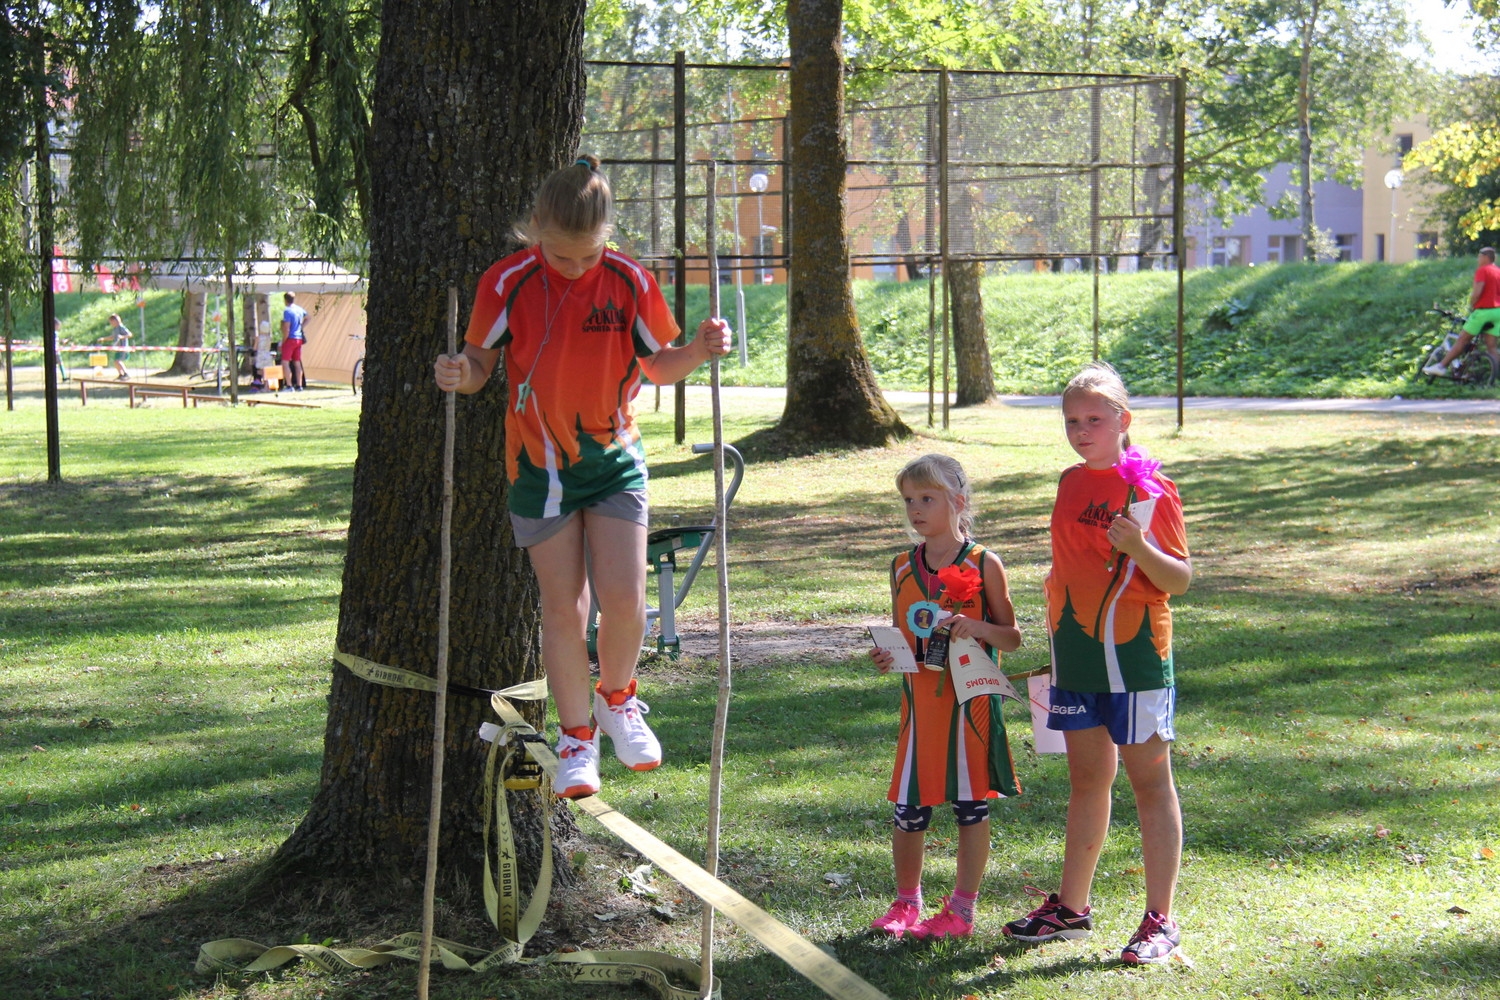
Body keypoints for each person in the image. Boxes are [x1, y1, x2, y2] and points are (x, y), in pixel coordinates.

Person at [432, 154, 732, 800]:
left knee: (624, 600)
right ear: (536, 227)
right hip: (538, 470)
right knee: (566, 610)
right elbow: (482, 360)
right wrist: (462, 373)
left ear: (606, 237)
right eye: (560, 257)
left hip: (614, 461)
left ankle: (617, 699)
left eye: (585, 256)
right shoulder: (506, 281)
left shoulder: (627, 280)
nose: (573, 269)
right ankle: (576, 740)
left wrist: (701, 350)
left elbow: (660, 365)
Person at [1001, 361, 1192, 965]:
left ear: (1123, 421)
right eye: (1071, 421)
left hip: (1133, 658)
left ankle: (1160, 919)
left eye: (1094, 419)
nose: (1082, 431)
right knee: (1087, 781)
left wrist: (1141, 546)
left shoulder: (1149, 491)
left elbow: (1180, 579)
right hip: (1075, 655)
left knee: (1149, 785)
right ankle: (1071, 908)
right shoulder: (1068, 481)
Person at [867, 454, 1023, 940]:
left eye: (927, 499)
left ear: (958, 503)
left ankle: (961, 911)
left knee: (969, 806)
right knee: (908, 808)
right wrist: (887, 655)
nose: (915, 509)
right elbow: (902, 635)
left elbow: (1011, 637)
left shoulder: (983, 562)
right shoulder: (899, 566)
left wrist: (975, 627)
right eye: (908, 500)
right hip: (920, 710)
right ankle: (906, 903)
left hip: (969, 708)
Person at [1422, 247, 1500, 376]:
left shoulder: (1483, 270)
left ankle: (1441, 366)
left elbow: (1477, 292)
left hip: (1483, 312)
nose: (1478, 259)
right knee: (1491, 347)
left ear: (1486, 257)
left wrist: (1472, 305)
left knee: (1462, 339)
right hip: (1498, 312)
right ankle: (1496, 379)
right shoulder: (1498, 271)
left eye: (1479, 256)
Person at [280, 292, 309, 390]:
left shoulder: (287, 311)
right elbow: (308, 317)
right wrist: (301, 327)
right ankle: (299, 385)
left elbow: (286, 328)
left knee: (285, 362)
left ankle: (289, 385)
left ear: (285, 300)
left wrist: (283, 341)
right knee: (297, 363)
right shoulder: (299, 309)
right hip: (299, 338)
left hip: (290, 338)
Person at [100, 313, 132, 380]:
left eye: (111, 322)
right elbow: (113, 337)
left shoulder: (121, 327)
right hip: (118, 348)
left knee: (118, 361)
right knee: (115, 362)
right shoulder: (115, 329)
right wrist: (104, 339)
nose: (111, 323)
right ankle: (121, 374)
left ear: (115, 321)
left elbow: (129, 334)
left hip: (123, 348)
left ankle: (126, 373)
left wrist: (122, 337)